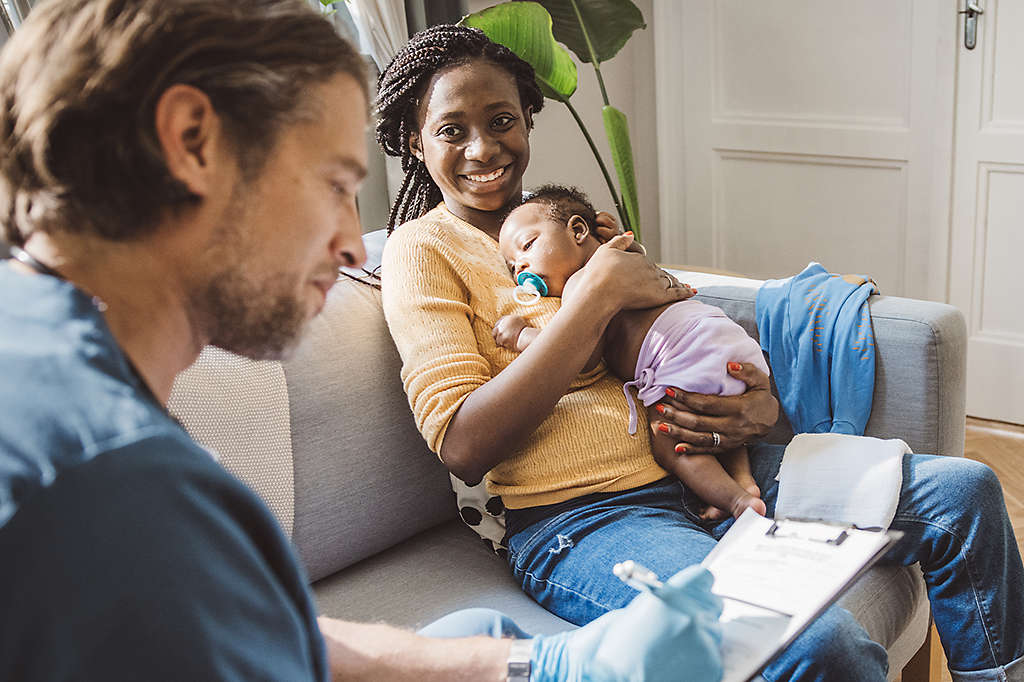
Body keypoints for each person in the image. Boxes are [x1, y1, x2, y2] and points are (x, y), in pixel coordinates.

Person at [0, 1, 727, 680]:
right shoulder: (93, 463)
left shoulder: (66, 365)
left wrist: (517, 665)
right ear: (193, 143)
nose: (355, 245)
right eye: (332, 183)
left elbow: (264, 631)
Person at [377, 23, 1024, 681]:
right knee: (817, 641)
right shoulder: (421, 251)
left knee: (964, 492)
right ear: (412, 139)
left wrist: (755, 402)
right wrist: (592, 298)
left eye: (502, 120)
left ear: (528, 123)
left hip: (697, 463)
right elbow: (461, 442)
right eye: (452, 130)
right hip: (583, 519)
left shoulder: (578, 231)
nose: (483, 147)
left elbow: (675, 338)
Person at [493, 185, 768, 520]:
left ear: (579, 230)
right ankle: (742, 481)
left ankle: (737, 502)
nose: (521, 266)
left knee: (672, 444)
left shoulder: (584, 283)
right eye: (512, 266)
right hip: (721, 338)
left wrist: (523, 335)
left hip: (680, 351)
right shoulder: (628, 261)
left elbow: (582, 355)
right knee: (717, 421)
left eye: (528, 246)